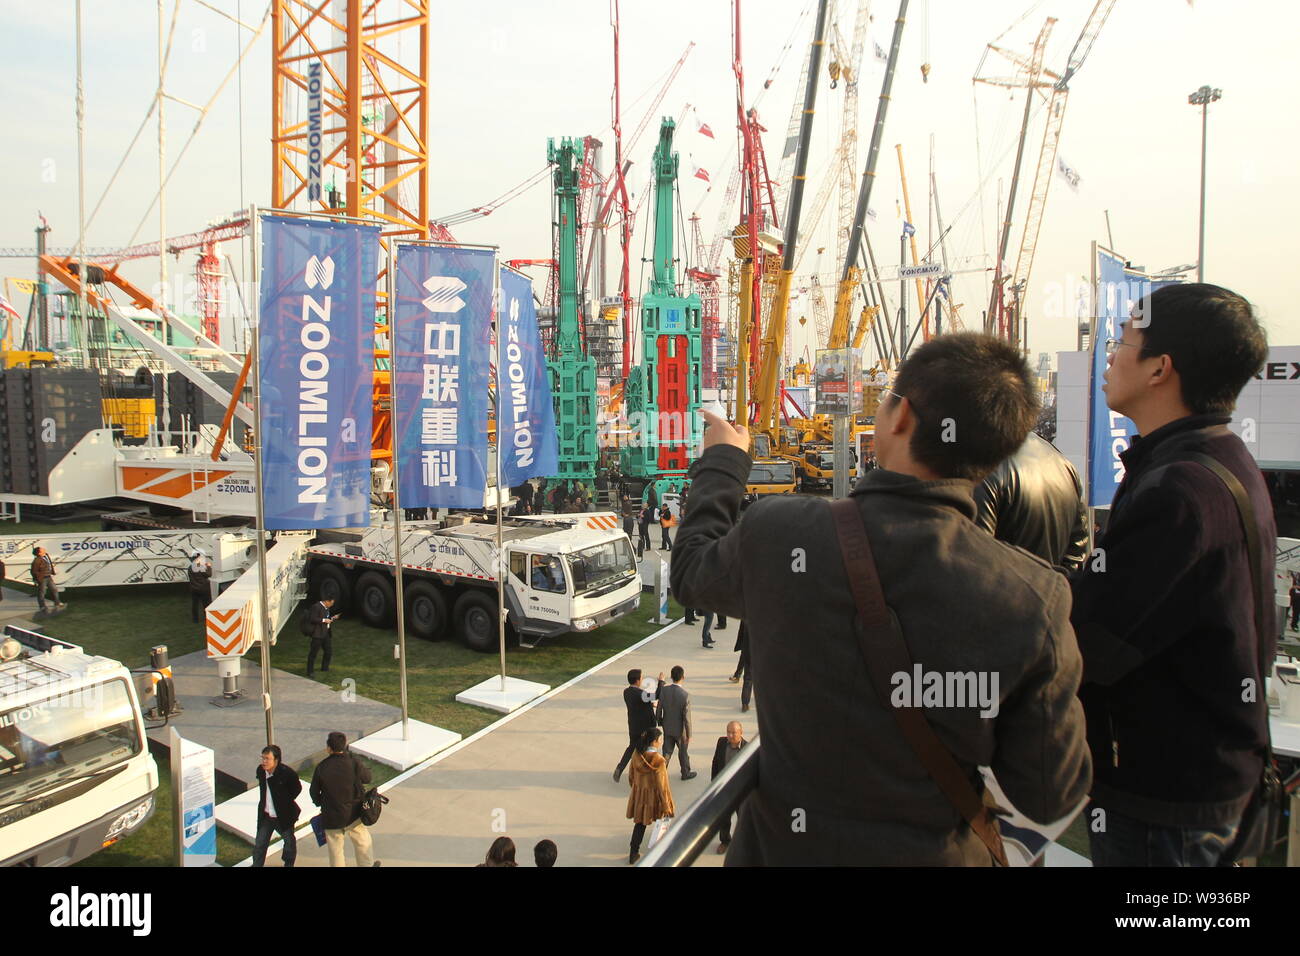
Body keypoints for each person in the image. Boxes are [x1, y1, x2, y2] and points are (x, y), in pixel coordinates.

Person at [670, 332, 1091, 865]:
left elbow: (689, 572)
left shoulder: (782, 532)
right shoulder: (1033, 596)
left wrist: (725, 462)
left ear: (899, 417)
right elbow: (1051, 791)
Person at [1069, 284, 1275, 867]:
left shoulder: (1179, 490)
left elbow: (1094, 638)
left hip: (1168, 808)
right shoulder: (1217, 458)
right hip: (1205, 785)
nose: (1109, 355)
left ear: (1161, 368)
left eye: (1123, 342)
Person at [972, 431, 1090, 572]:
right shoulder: (1060, 461)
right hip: (1049, 589)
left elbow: (974, 561)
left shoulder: (979, 464)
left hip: (1002, 589)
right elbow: (1076, 553)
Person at [308, 732, 378, 867]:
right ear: (344, 745)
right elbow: (367, 778)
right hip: (354, 813)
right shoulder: (353, 762)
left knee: (336, 851)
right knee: (362, 843)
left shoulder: (321, 767)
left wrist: (321, 802)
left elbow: (314, 792)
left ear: (329, 748)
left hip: (331, 816)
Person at [626, 727, 675, 864]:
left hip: (640, 796)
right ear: (654, 741)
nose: (661, 742)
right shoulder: (659, 761)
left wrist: (637, 789)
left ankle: (633, 852)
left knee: (640, 824)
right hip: (654, 799)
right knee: (661, 824)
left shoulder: (636, 755)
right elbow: (662, 786)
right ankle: (659, 852)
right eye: (660, 739)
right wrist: (667, 806)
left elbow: (631, 777)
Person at [252, 744, 302, 867]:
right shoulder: (261, 771)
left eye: (267, 758)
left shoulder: (287, 774)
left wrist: (284, 802)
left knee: (289, 843)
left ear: (276, 760)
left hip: (283, 816)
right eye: (262, 758)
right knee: (259, 844)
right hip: (267, 816)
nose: (264, 761)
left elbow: (296, 789)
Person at [613, 668, 662, 782]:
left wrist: (649, 705)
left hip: (633, 726)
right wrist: (661, 682)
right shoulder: (640, 694)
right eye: (641, 678)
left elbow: (639, 704)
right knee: (647, 750)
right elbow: (657, 695)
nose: (642, 679)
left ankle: (620, 768)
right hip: (645, 728)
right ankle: (646, 774)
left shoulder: (627, 692)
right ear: (637, 680)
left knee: (631, 748)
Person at [711, 721, 748, 854]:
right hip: (724, 789)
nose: (731, 735)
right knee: (724, 818)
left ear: (741, 733)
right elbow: (715, 763)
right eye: (728, 732)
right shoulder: (721, 743)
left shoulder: (747, 749)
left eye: (734, 733)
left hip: (740, 791)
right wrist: (713, 785)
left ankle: (743, 843)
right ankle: (725, 841)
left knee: (743, 819)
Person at [657, 665, 697, 780]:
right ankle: (685, 773)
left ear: (671, 677)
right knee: (683, 752)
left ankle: (661, 774)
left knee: (666, 752)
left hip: (667, 727)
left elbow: (659, 708)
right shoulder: (685, 695)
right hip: (680, 731)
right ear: (683, 677)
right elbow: (687, 718)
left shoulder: (664, 690)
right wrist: (689, 734)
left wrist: (660, 721)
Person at [305, 596, 340, 678]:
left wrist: (332, 618)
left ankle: (325, 667)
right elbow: (312, 619)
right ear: (327, 601)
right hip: (318, 634)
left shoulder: (326, 608)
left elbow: (326, 618)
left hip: (326, 633)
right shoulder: (316, 607)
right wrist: (324, 620)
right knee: (313, 653)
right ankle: (310, 671)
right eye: (331, 603)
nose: (332, 605)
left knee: (328, 651)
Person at [30, 546, 63, 613]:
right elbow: (34, 571)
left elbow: (49, 564)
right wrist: (37, 578)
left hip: (48, 577)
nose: (44, 550)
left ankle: (57, 602)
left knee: (54, 589)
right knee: (42, 592)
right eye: (42, 550)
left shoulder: (45, 556)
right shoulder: (37, 561)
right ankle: (42, 606)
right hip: (43, 579)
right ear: (39, 553)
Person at [729, 621, 753, 712]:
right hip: (757, 653)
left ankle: (745, 703)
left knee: (748, 679)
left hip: (748, 650)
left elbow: (741, 632)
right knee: (750, 679)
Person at [188, 550, 213, 624]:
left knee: (195, 604)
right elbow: (209, 574)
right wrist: (208, 566)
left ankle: (195, 619)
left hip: (193, 588)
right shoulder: (200, 567)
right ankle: (207, 619)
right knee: (206, 604)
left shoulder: (190, 567)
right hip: (203, 588)